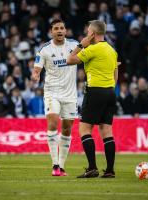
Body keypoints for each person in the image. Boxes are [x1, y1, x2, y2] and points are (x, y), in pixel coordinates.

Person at [67, 20, 118, 178]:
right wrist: (110, 87)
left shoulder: (92, 49)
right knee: (106, 131)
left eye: (88, 32)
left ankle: (92, 168)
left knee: (84, 129)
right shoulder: (111, 50)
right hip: (110, 92)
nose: (86, 34)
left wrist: (81, 45)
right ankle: (109, 170)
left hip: (95, 91)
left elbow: (70, 59)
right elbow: (116, 72)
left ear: (92, 34)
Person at [31, 19, 78, 176]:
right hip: (52, 92)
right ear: (51, 32)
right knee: (52, 122)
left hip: (71, 94)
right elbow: (37, 68)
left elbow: (89, 56)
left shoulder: (74, 45)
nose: (59, 30)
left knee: (67, 128)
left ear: (66, 31)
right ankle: (55, 165)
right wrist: (35, 74)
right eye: (56, 28)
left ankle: (62, 166)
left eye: (62, 28)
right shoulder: (44, 49)